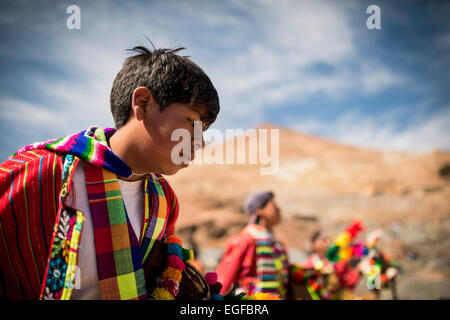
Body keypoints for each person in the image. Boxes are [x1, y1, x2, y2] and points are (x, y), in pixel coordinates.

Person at [0, 45, 220, 300]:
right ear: (142, 103)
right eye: (192, 123)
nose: (199, 142)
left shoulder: (163, 201)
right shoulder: (41, 172)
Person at [215, 191, 289, 299]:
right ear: (260, 210)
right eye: (273, 205)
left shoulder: (278, 245)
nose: (279, 208)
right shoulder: (244, 240)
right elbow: (224, 280)